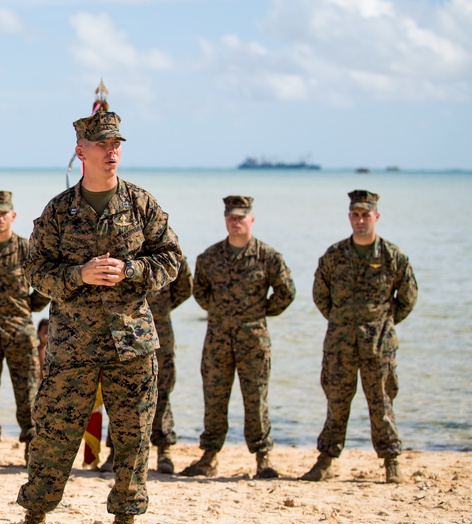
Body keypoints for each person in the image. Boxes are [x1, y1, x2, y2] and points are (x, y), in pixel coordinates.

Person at [4, 111, 181, 524]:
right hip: (73, 344)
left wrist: (133, 270)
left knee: (133, 434)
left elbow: (172, 259)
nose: (112, 151)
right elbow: (35, 269)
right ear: (81, 151)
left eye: (117, 143)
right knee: (54, 433)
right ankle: (35, 521)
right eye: (102, 144)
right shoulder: (59, 210)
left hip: (131, 342)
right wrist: (79, 275)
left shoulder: (141, 204)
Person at [301, 190, 418, 484]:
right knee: (336, 403)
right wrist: (342, 320)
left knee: (381, 402)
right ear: (349, 217)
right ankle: (325, 460)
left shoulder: (393, 256)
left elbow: (408, 297)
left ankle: (391, 461)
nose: (360, 220)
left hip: (379, 345)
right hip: (340, 343)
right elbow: (320, 295)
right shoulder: (334, 255)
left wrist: (383, 323)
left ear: (376, 217)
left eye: (366, 214)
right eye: (355, 214)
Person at [180, 196, 295, 479]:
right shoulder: (209, 257)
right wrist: (220, 312)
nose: (236, 222)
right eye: (231, 217)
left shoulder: (268, 256)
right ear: (225, 220)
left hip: (253, 340)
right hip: (217, 339)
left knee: (256, 399)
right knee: (214, 397)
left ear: (251, 220)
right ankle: (209, 456)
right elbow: (199, 291)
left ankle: (263, 457)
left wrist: (260, 312)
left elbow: (286, 291)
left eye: (241, 217)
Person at [0, 191, 50, 467]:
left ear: (13, 216)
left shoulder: (28, 250)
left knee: (27, 393)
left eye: (4, 213)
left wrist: (29, 308)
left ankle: (31, 445)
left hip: (19, 333)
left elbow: (45, 286)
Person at [100, 254, 192, 475]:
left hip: (160, 333)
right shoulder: (120, 252)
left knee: (162, 390)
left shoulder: (167, 254)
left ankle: (164, 450)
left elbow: (184, 288)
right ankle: (115, 452)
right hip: (125, 330)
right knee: (120, 391)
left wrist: (160, 311)